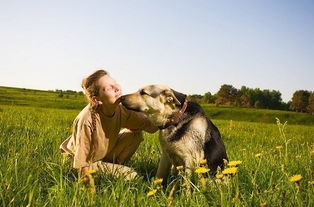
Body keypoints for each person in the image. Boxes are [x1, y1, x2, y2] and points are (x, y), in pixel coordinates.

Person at [60, 69, 158, 190]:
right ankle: (113, 171)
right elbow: (81, 165)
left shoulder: (122, 110)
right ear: (97, 99)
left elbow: (149, 125)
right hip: (78, 162)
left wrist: (168, 118)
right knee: (131, 175)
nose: (117, 88)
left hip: (102, 154)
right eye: (109, 88)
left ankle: (113, 168)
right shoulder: (87, 120)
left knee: (135, 135)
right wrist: (91, 196)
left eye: (115, 83)